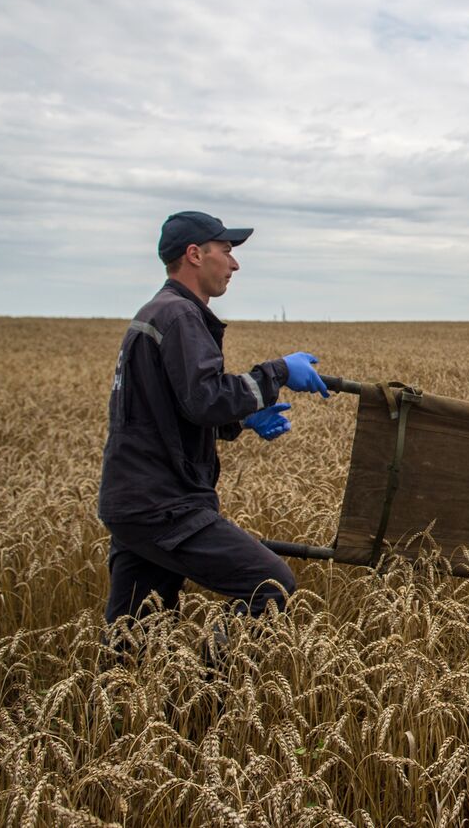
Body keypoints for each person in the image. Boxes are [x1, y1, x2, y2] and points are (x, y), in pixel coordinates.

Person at [97, 210, 332, 627]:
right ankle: (207, 692)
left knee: (134, 636)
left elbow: (174, 409)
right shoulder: (180, 316)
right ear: (194, 255)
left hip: (136, 501)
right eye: (226, 251)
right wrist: (277, 371)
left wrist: (242, 420)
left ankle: (134, 693)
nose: (235, 264)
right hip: (164, 504)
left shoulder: (157, 313)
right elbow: (204, 399)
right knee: (270, 586)